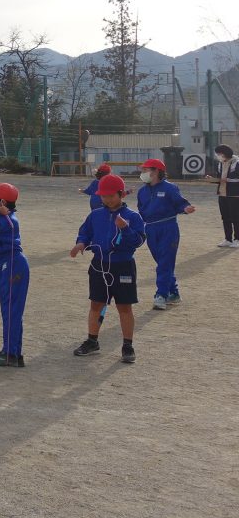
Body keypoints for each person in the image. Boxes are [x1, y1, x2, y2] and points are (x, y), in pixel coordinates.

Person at [70, 173, 146, 364]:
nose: (107, 199)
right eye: (103, 196)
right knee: (96, 304)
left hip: (123, 266)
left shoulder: (133, 217)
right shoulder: (95, 215)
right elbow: (85, 233)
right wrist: (80, 243)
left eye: (111, 195)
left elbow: (138, 242)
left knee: (124, 307)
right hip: (99, 266)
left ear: (121, 194)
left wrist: (125, 229)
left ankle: (127, 345)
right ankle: (92, 341)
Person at [136, 158, 195, 309]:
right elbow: (141, 210)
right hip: (150, 229)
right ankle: (174, 293)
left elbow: (180, 203)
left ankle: (161, 295)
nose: (142, 173)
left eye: (145, 170)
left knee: (164, 263)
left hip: (168, 227)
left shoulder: (170, 188)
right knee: (162, 262)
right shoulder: (142, 191)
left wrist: (185, 209)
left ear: (156, 171)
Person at [0, 182, 29, 367]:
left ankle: (10, 353)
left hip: (13, 266)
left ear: (1, 202)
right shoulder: (4, 218)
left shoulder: (8, 220)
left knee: (11, 311)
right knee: (10, 310)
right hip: (6, 265)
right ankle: (12, 353)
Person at [209, 144, 239, 247]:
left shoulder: (237, 162)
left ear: (224, 153)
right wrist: (212, 179)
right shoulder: (220, 163)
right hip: (222, 194)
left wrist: (227, 180)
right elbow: (220, 178)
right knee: (225, 217)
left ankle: (237, 239)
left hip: (235, 195)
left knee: (236, 217)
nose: (218, 156)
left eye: (219, 154)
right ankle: (228, 239)